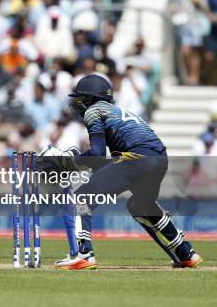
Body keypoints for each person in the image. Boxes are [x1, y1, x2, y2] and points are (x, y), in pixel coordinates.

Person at [53, 74, 202, 270]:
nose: (78, 104)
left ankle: (84, 254)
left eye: (81, 99)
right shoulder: (119, 111)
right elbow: (110, 162)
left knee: (81, 197)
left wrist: (70, 160)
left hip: (136, 159)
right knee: (140, 205)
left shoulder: (93, 111)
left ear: (90, 99)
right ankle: (186, 252)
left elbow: (97, 155)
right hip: (159, 159)